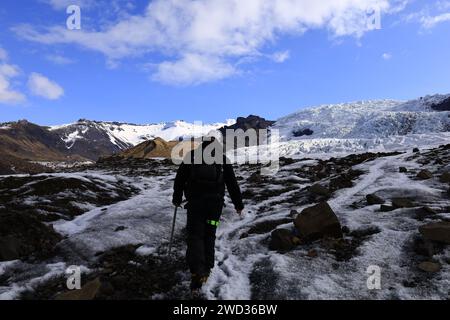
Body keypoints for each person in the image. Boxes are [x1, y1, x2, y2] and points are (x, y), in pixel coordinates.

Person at [172, 136, 244, 294]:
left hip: (195, 205)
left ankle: (197, 271)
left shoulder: (191, 157)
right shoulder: (222, 159)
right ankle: (207, 266)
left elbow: (180, 180)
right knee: (210, 233)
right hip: (215, 206)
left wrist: (177, 198)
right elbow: (232, 183)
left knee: (195, 235)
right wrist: (238, 205)